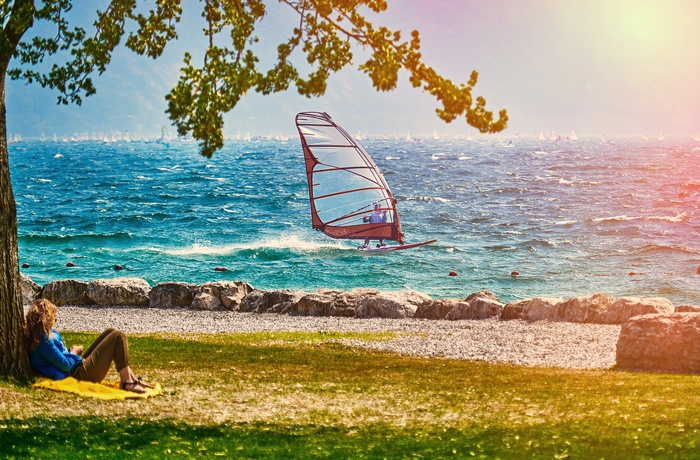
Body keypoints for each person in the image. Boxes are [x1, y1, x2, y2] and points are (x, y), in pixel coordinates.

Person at [23, 299, 152, 393]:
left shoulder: (39, 336)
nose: (55, 322)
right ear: (46, 318)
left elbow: (57, 358)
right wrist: (74, 352)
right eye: (54, 318)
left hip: (75, 368)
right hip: (77, 375)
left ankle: (131, 378)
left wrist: (70, 353)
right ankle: (127, 383)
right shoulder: (43, 340)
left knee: (111, 331)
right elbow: (64, 364)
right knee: (118, 336)